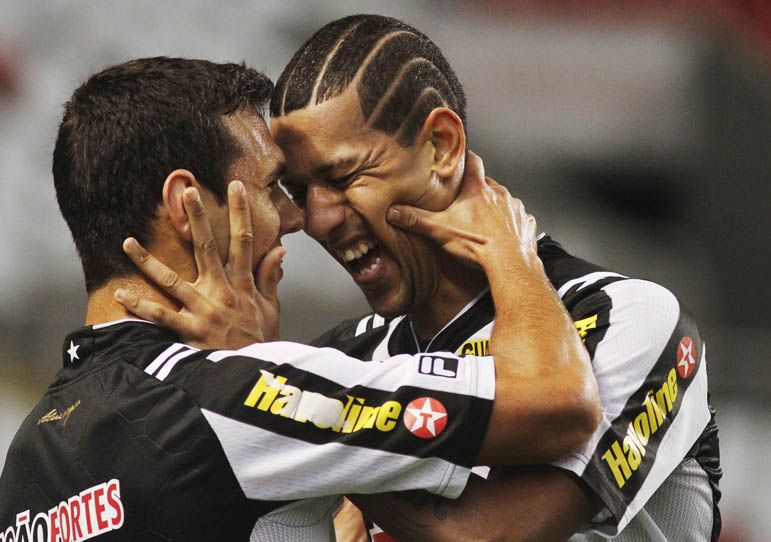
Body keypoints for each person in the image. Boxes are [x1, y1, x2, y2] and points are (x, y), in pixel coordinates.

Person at [128, 14, 722, 541]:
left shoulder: (632, 318)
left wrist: (271, 389)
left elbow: (490, 536)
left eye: (343, 176)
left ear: (441, 145)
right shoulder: (344, 358)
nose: (318, 218)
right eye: (303, 190)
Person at [0, 57, 600, 541]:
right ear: (187, 206)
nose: (296, 218)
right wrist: (511, 251)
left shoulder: (27, 457)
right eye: (269, 188)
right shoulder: (223, 398)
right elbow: (560, 403)